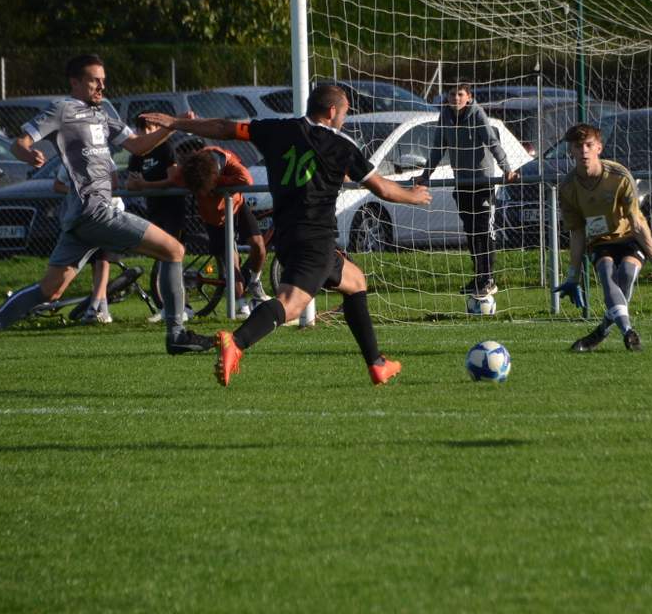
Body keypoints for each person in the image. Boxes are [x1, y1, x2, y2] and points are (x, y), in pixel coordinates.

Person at [140, 84, 432, 387]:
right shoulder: (341, 146)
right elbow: (382, 188)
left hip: (289, 235)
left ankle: (377, 364)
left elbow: (223, 127)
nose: (345, 117)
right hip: (316, 239)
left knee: (356, 282)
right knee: (290, 304)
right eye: (345, 111)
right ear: (332, 112)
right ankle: (236, 342)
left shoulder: (277, 130)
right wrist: (414, 195)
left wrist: (176, 123)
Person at [0, 54, 214, 380]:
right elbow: (20, 142)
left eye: (103, 79)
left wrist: (172, 125)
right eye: (94, 80)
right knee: (174, 250)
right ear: (74, 82)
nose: (101, 85)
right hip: (96, 211)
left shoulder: (103, 114)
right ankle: (176, 334)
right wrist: (25, 153)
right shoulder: (62, 109)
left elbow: (137, 146)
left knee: (50, 291)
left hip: (80, 220)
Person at [552, 123, 652, 352]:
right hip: (600, 242)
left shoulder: (619, 176)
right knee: (606, 272)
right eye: (578, 146)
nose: (584, 150)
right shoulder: (567, 187)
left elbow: (637, 222)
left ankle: (601, 331)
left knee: (626, 273)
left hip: (628, 237)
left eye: (589, 145)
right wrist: (573, 275)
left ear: (599, 148)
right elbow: (577, 233)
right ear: (571, 151)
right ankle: (628, 332)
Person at [417, 83, 519, 297]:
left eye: (460, 94)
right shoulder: (445, 116)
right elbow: (438, 148)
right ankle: (479, 277)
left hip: (482, 184)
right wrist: (425, 175)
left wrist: (506, 169)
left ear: (469, 97)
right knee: (471, 233)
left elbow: (492, 142)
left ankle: (489, 278)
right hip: (462, 184)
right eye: (452, 94)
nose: (455, 98)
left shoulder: (477, 114)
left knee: (484, 231)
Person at [173, 144, 270, 315]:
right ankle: (241, 306)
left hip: (237, 207)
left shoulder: (226, 159)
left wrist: (220, 183)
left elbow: (246, 179)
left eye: (206, 189)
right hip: (214, 219)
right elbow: (174, 179)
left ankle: (255, 282)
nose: (204, 193)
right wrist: (142, 184)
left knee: (259, 246)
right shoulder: (191, 169)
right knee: (232, 263)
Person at [124, 115, 192, 322]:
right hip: (154, 210)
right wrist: (136, 185)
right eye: (141, 128)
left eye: (149, 128)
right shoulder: (137, 154)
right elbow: (130, 183)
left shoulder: (165, 148)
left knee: (171, 256)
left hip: (173, 209)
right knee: (161, 259)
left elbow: (172, 179)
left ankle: (182, 308)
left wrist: (145, 185)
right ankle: (168, 307)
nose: (145, 132)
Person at [54, 163, 120, 324]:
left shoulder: (104, 157)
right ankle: (101, 309)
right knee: (93, 262)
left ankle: (95, 307)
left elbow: (115, 183)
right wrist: (77, 192)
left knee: (103, 260)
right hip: (82, 216)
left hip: (105, 212)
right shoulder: (69, 160)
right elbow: (57, 185)